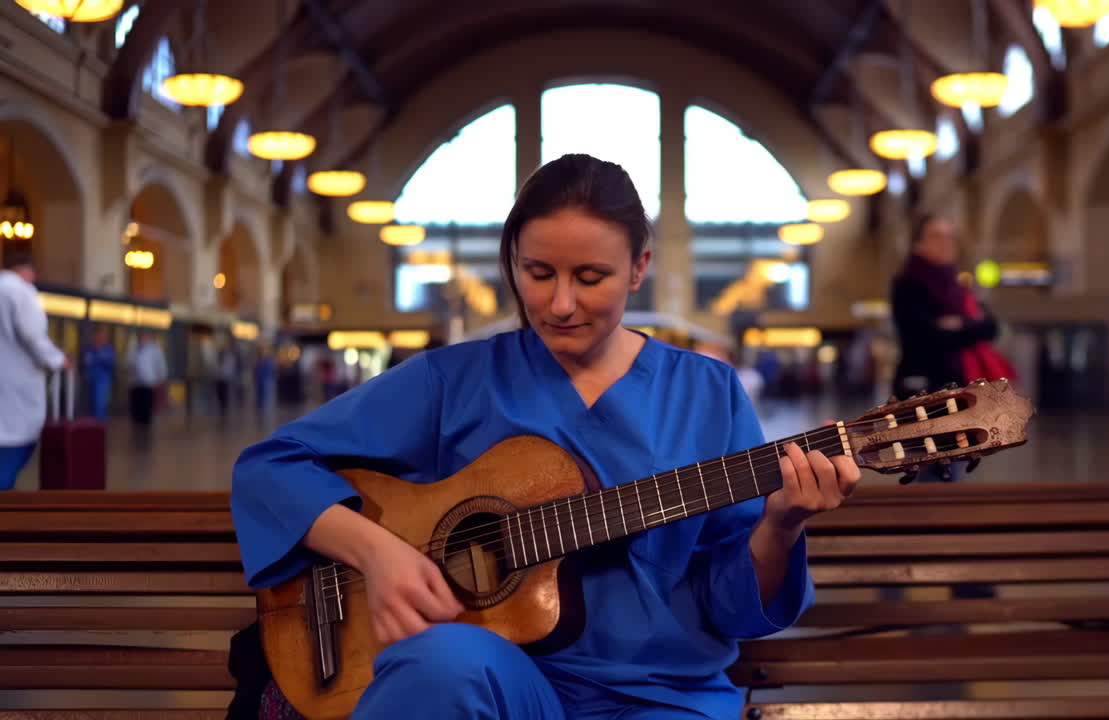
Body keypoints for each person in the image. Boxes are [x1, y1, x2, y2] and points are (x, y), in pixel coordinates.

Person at [230, 154, 859, 719]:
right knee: (439, 662)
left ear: (639, 267)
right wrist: (376, 551)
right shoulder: (452, 381)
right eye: (537, 273)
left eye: (590, 278)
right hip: (504, 685)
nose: (560, 304)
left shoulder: (708, 392)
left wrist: (780, 527)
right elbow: (270, 467)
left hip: (660, 695)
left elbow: (731, 610)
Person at [890, 214, 1011, 484]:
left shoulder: (958, 287)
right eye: (937, 236)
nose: (946, 243)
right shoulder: (908, 285)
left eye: (949, 237)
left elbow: (990, 327)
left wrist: (957, 325)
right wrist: (965, 327)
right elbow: (926, 336)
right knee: (928, 466)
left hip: (958, 390)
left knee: (953, 467)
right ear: (918, 244)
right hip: (921, 393)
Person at [0, 249, 68, 490]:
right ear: (26, 270)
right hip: (17, 391)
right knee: (13, 450)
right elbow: (32, 335)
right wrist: (58, 359)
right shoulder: (20, 291)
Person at [125, 330, 167, 431]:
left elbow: (160, 365)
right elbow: (126, 363)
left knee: (146, 405)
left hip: (148, 382)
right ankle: (137, 424)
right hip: (134, 382)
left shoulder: (155, 350)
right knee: (135, 405)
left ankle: (145, 425)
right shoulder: (133, 349)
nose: (142, 339)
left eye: (144, 337)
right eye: (141, 337)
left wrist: (161, 379)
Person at [82, 326, 116, 420]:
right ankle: (92, 425)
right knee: (91, 404)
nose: (98, 338)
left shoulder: (108, 349)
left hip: (103, 382)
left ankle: (100, 425)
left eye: (101, 336)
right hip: (90, 380)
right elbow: (86, 362)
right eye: (96, 336)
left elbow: (111, 364)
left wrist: (99, 358)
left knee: (100, 404)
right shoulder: (90, 349)